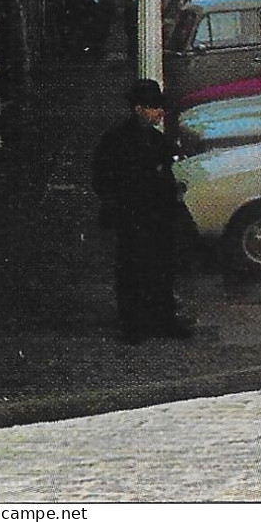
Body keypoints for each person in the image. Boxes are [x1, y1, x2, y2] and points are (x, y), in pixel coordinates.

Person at [92, 78, 193, 344]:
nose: (159, 113)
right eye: (154, 107)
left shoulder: (156, 140)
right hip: (134, 215)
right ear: (139, 109)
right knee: (134, 268)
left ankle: (160, 318)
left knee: (161, 267)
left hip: (158, 214)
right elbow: (103, 179)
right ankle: (135, 323)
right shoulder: (117, 141)